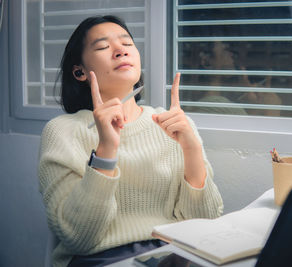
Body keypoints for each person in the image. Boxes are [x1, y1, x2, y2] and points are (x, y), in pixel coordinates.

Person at [38, 15, 223, 267]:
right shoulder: (62, 131)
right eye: (103, 47)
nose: (120, 51)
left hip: (174, 254)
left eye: (127, 44)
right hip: (103, 259)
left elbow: (205, 224)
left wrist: (192, 149)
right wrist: (106, 150)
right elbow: (78, 239)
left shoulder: (174, 124)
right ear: (80, 72)